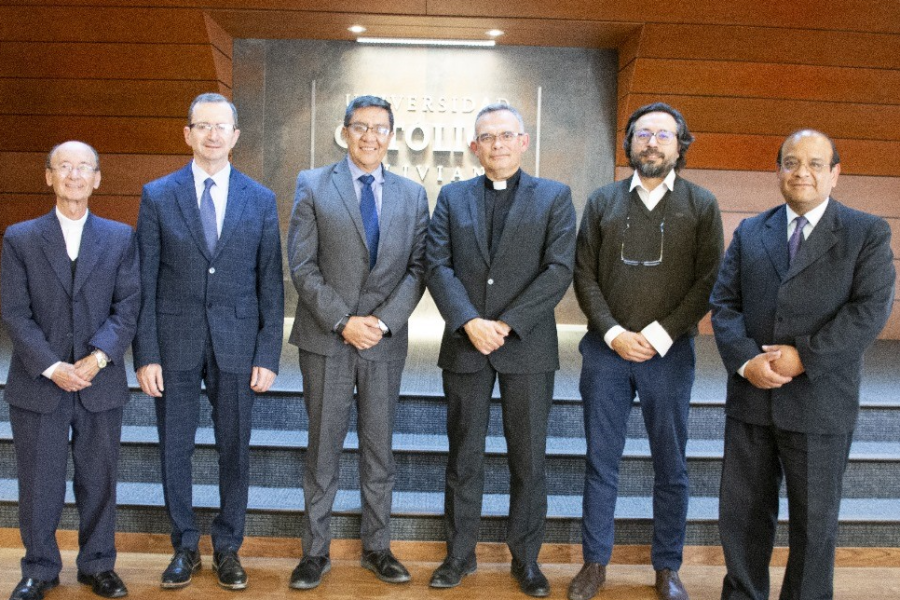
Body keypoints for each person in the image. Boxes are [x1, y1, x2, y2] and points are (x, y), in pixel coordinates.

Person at [710, 129, 895, 600]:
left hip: (820, 401)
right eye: (791, 162)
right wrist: (746, 360)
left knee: (814, 526)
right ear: (778, 171)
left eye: (815, 163)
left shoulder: (866, 232)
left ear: (835, 173)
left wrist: (803, 357)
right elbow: (725, 305)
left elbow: (868, 311)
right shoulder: (752, 230)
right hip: (752, 397)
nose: (802, 173)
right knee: (743, 518)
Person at [570, 102, 723, 600]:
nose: (652, 142)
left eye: (662, 134)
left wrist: (659, 335)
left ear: (680, 144)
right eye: (642, 134)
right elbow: (584, 274)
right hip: (606, 352)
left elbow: (708, 281)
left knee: (671, 465)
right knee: (601, 461)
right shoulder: (602, 201)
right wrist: (614, 332)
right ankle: (594, 563)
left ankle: (667, 567)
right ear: (629, 143)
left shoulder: (701, 204)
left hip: (670, 354)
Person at [133, 93, 284, 591]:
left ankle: (227, 548)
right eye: (203, 126)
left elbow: (270, 282)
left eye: (222, 127)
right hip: (173, 341)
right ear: (188, 134)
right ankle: (184, 546)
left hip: (237, 342)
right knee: (174, 448)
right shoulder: (158, 195)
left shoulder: (260, 198)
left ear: (236, 135)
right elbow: (144, 280)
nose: (213, 135)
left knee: (234, 449)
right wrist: (146, 353)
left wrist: (268, 352)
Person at [426, 103, 576, 598]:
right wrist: (470, 321)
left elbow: (559, 269)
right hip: (466, 344)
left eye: (507, 135)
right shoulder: (452, 197)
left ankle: (526, 560)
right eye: (488, 137)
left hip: (527, 345)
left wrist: (507, 324)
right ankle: (459, 555)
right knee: (463, 457)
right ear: (475, 147)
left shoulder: (554, 196)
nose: (498, 144)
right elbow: (437, 265)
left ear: (524, 141)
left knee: (528, 460)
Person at [285, 95, 428, 590]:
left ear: (391, 135)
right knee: (322, 450)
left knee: (378, 450)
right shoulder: (312, 183)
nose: (370, 136)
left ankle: (378, 548)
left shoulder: (413, 194)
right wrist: (343, 321)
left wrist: (382, 323)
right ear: (345, 131)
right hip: (327, 338)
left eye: (380, 128)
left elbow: (418, 269)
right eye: (361, 126)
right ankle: (314, 553)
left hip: (383, 343)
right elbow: (302, 265)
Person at [2, 141, 139, 600]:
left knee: (98, 478)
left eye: (84, 168)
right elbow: (15, 312)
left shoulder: (120, 237)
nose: (74, 175)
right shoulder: (20, 238)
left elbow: (128, 307)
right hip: (39, 382)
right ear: (49, 176)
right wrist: (52, 366)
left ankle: (98, 565)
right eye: (65, 167)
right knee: (38, 481)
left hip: (99, 380)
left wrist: (97, 358)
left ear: (97, 179)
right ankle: (39, 569)